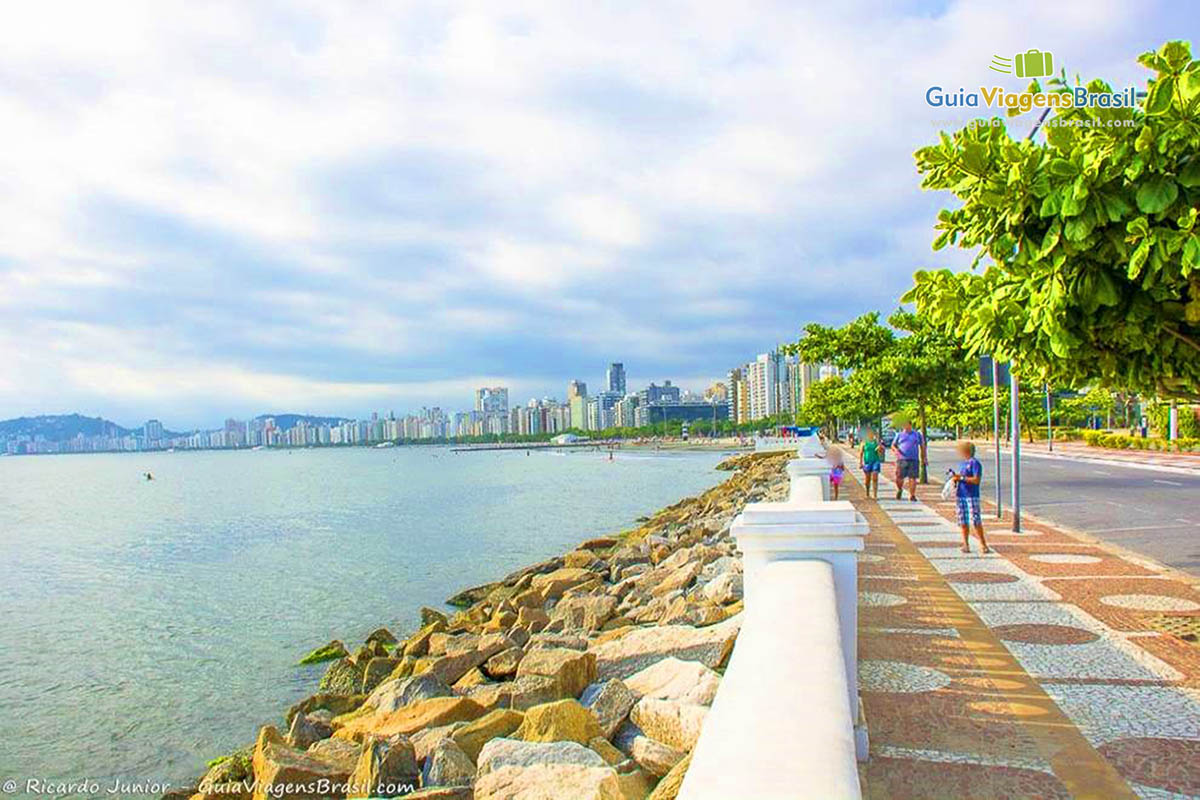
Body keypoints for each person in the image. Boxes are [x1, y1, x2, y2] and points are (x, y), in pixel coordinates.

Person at [949, 441, 990, 554]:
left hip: (971, 495)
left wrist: (961, 478)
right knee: (962, 520)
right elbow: (961, 477)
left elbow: (976, 480)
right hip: (961, 494)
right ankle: (965, 543)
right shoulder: (963, 463)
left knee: (975, 519)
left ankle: (983, 544)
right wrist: (956, 479)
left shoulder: (975, 463)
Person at [891, 419, 925, 501]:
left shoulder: (917, 434)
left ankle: (912, 495)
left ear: (910, 425)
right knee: (899, 477)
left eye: (907, 425)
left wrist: (924, 457)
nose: (905, 427)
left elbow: (922, 446)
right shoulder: (899, 435)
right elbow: (893, 445)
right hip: (902, 459)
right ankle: (899, 489)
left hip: (914, 459)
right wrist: (896, 451)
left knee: (912, 478)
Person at [859, 429, 882, 498]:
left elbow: (880, 453)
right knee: (867, 479)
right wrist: (860, 462)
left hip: (876, 461)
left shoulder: (876, 442)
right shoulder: (864, 442)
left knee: (875, 477)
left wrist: (879, 449)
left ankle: (875, 495)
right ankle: (867, 493)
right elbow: (861, 453)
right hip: (867, 462)